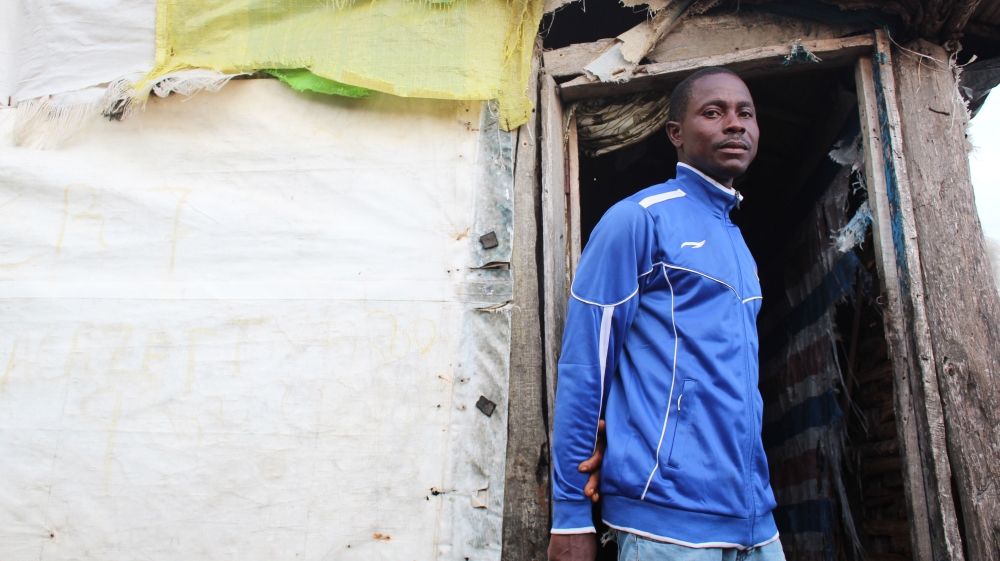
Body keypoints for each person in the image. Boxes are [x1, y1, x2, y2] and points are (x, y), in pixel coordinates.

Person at [547, 67, 784, 561]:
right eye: (713, 112)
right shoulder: (640, 219)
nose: (735, 124)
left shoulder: (739, 244)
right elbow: (584, 366)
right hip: (667, 520)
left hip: (754, 521)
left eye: (746, 113)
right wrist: (570, 515)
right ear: (676, 133)